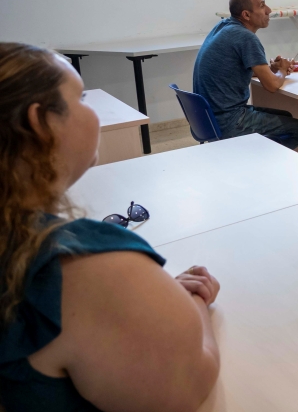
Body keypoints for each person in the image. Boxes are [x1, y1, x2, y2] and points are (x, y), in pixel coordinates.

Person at [0, 43, 221, 411]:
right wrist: (195, 299)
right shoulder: (84, 267)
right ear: (40, 122)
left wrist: (145, 298)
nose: (92, 110)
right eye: (81, 98)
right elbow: (185, 387)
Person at [193, 0, 298, 149]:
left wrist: (270, 69)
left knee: (286, 116)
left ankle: (255, 155)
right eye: (262, 6)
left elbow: (234, 69)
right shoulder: (245, 37)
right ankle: (261, 159)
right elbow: (272, 86)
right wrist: (282, 70)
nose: (269, 10)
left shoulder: (222, 27)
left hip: (208, 118)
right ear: (246, 15)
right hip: (228, 120)